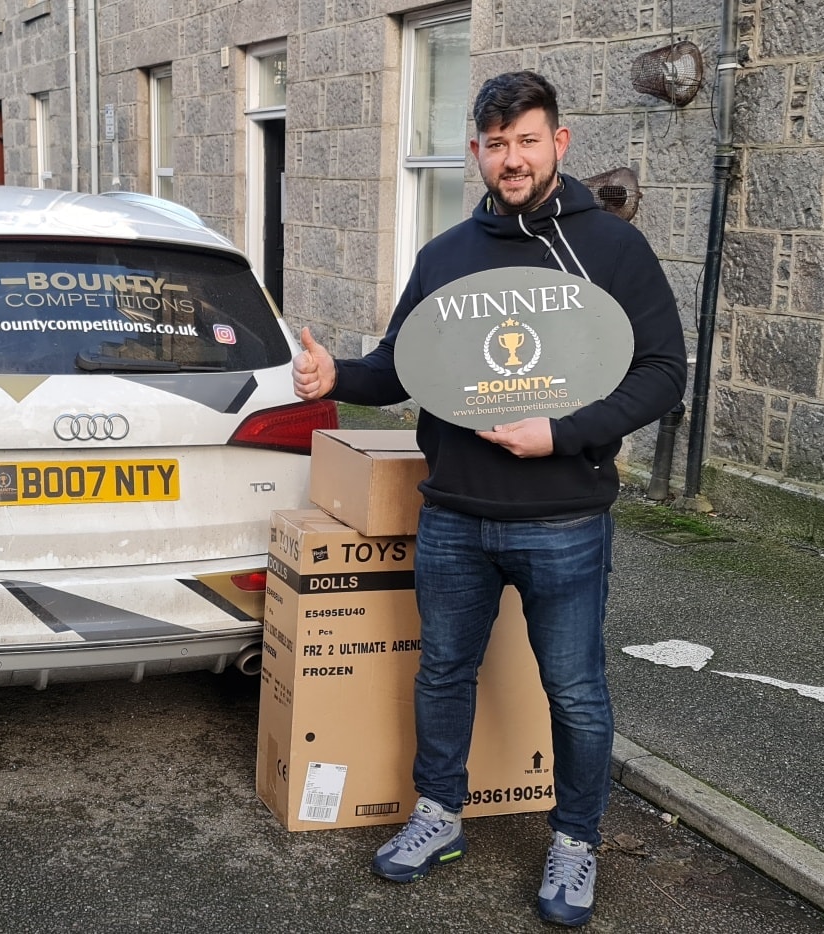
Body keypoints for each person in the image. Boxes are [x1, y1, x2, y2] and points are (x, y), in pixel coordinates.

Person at [291, 71, 686, 928]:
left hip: (565, 519)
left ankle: (575, 841)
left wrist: (565, 433)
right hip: (455, 515)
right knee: (443, 673)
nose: (512, 159)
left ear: (559, 143)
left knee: (574, 691)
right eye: (496, 144)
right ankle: (440, 814)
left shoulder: (611, 248)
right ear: (476, 150)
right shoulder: (446, 256)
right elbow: (400, 367)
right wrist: (336, 376)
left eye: (527, 141)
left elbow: (663, 371)